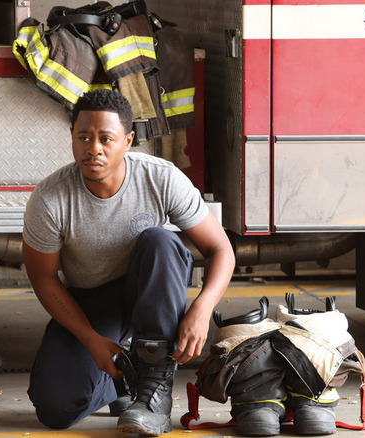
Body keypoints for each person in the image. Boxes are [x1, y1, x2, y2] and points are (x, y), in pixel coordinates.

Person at [22, 89, 235, 436]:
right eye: (84, 138)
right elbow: (44, 278)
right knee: (55, 409)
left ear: (128, 140)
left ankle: (153, 391)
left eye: (106, 138)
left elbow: (221, 249)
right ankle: (123, 382)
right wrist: (90, 339)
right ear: (72, 139)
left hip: (149, 292)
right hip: (92, 302)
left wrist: (202, 308)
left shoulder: (160, 178)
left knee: (160, 240)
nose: (94, 149)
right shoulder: (50, 198)